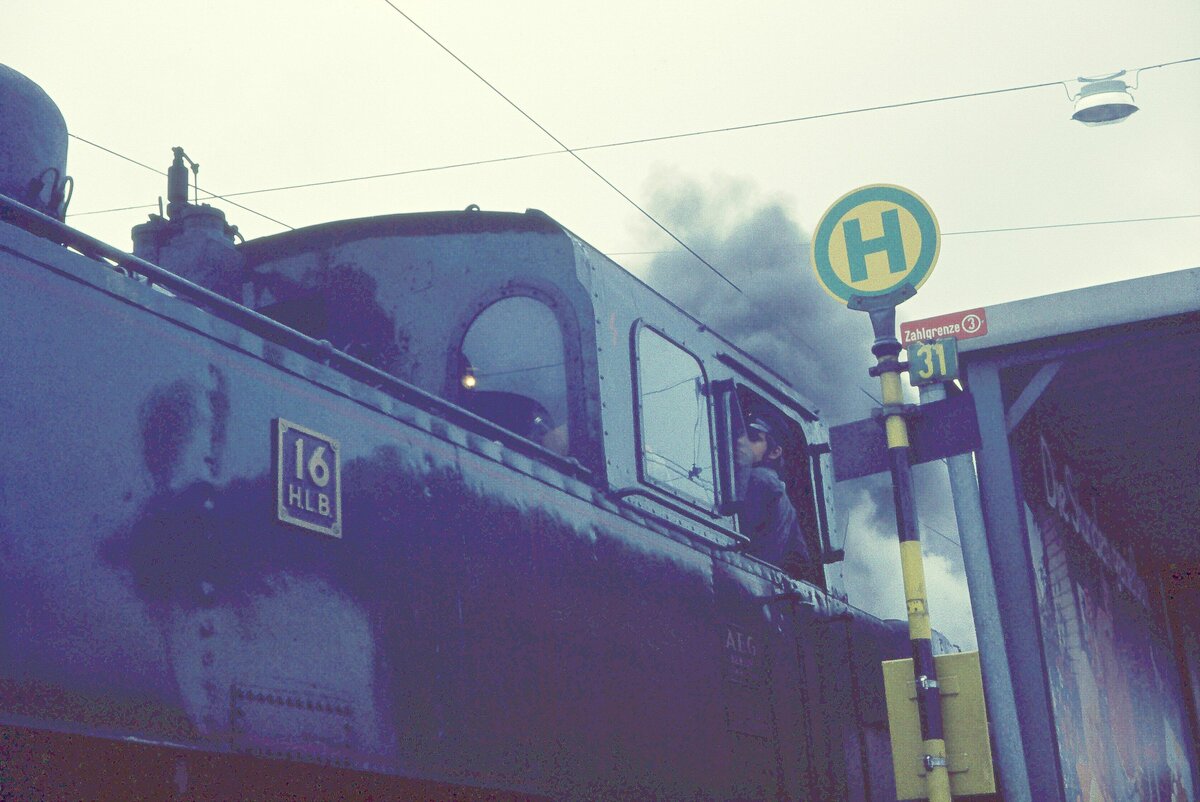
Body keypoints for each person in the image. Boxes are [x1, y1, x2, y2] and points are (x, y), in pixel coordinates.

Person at [736, 416, 814, 579]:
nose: (742, 441)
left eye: (753, 438)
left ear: (774, 452)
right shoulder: (781, 494)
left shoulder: (758, 480)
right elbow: (800, 558)